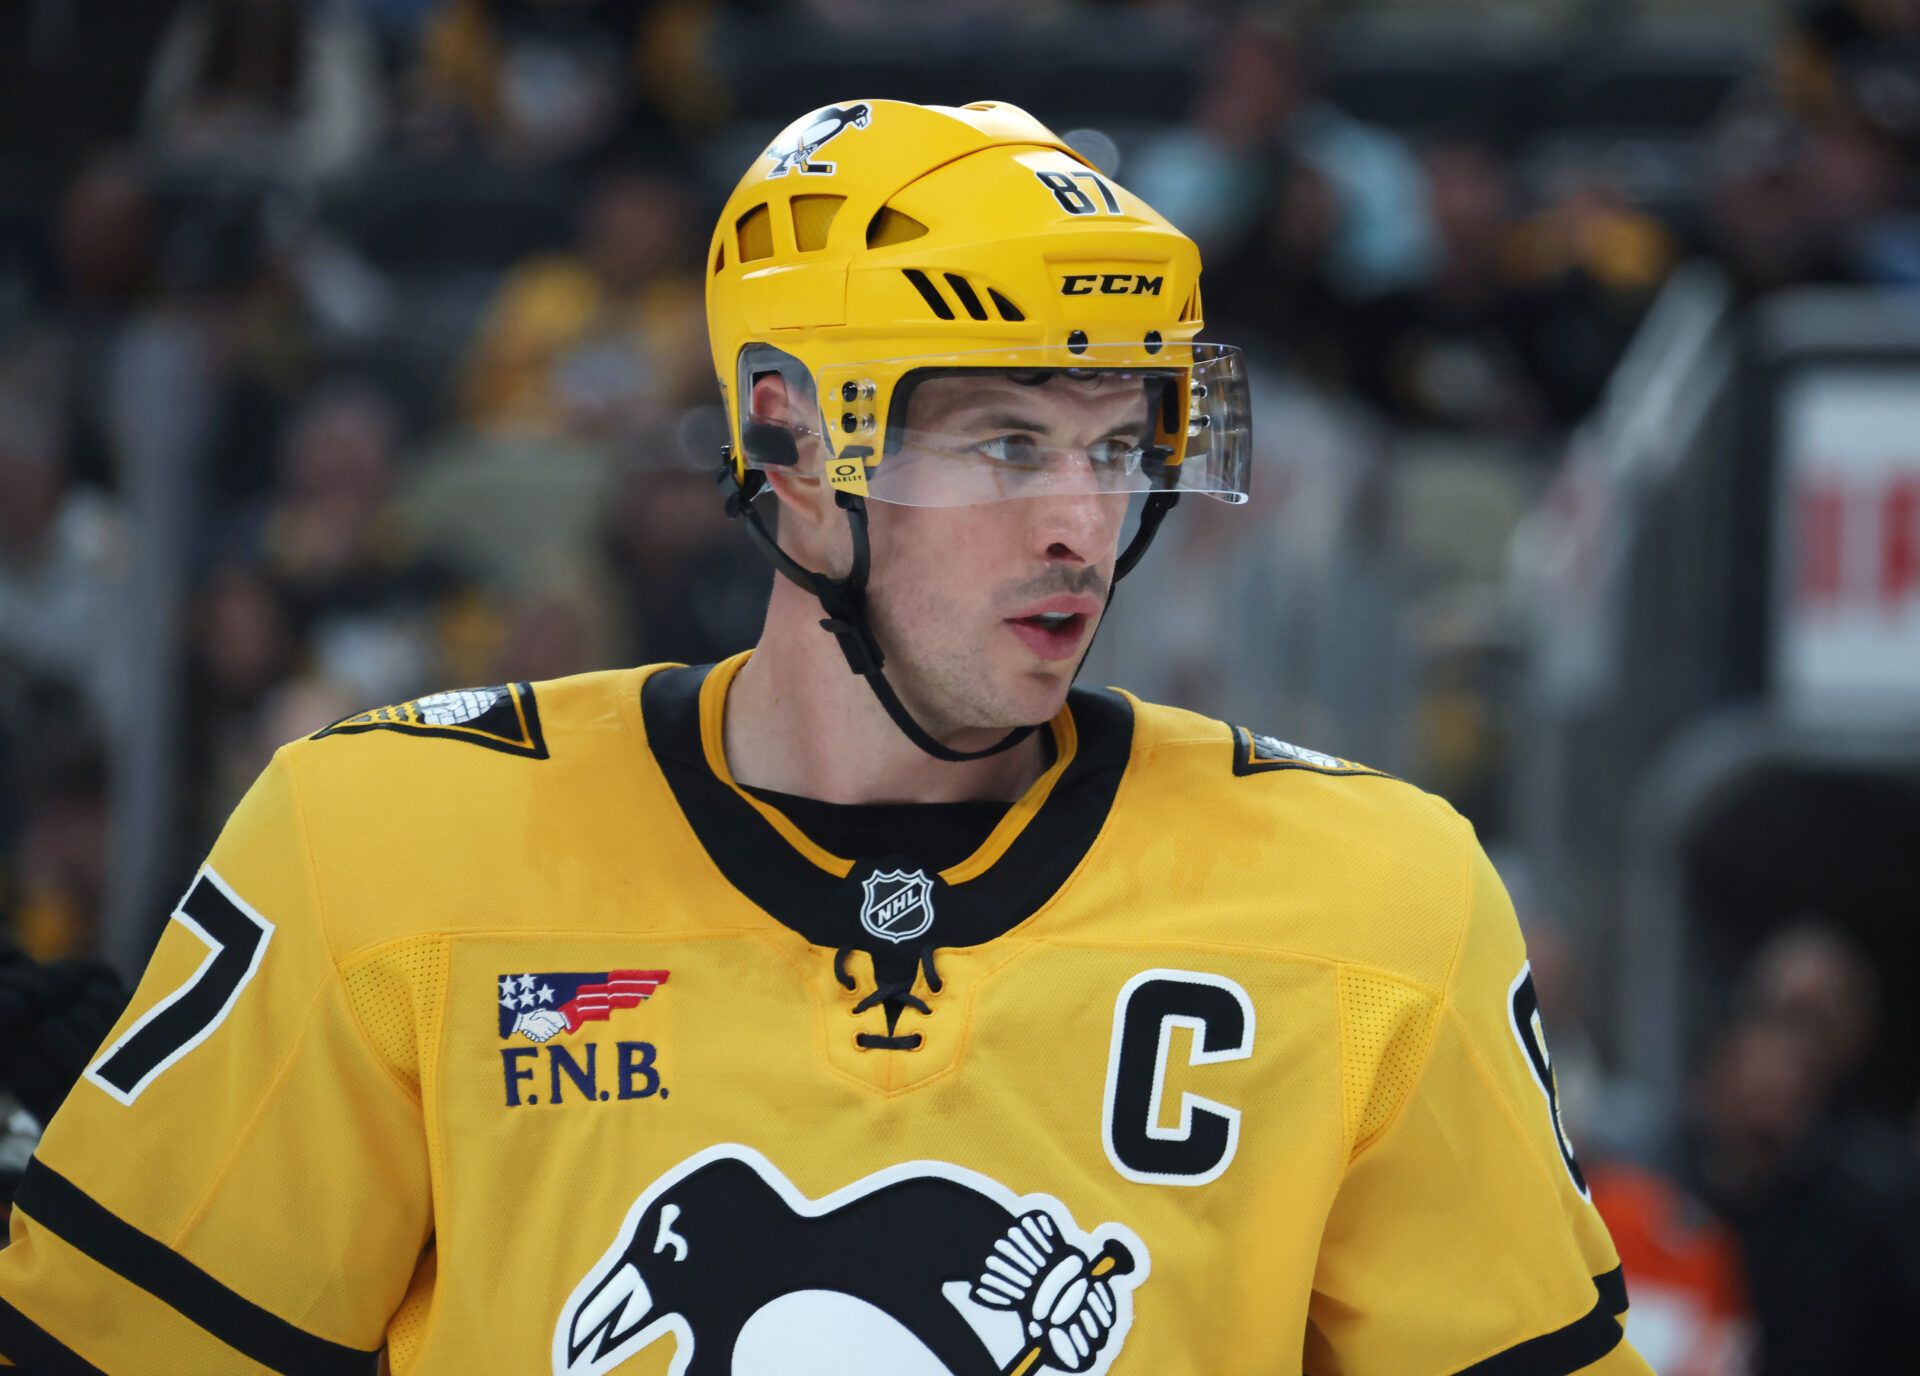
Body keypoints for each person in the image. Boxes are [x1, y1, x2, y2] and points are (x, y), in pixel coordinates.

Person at [0, 100, 1650, 1374]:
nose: (1082, 524)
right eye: (1004, 441)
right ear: (786, 445)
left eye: (1114, 441)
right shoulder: (382, 848)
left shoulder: (1377, 905)